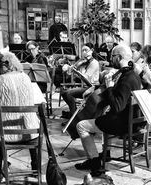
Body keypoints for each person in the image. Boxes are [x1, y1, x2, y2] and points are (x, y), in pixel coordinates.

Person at [74, 45, 142, 175]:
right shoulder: (132, 75)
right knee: (105, 114)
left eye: (113, 56)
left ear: (120, 57)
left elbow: (117, 106)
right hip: (132, 120)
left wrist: (110, 87)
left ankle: (94, 162)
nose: (111, 58)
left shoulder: (126, 79)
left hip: (122, 124)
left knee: (81, 126)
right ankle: (106, 153)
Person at [0, 51, 40, 171]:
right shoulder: (26, 77)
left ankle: (2, 166)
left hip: (5, 136)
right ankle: (35, 164)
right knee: (28, 118)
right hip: (30, 134)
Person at [61, 43, 100, 119]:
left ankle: (73, 116)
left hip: (92, 87)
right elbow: (70, 74)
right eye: (82, 50)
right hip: (85, 87)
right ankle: (74, 113)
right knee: (63, 92)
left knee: (69, 94)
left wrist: (78, 70)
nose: (84, 52)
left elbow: (87, 78)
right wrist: (71, 69)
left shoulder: (94, 63)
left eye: (86, 50)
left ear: (91, 51)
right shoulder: (83, 61)